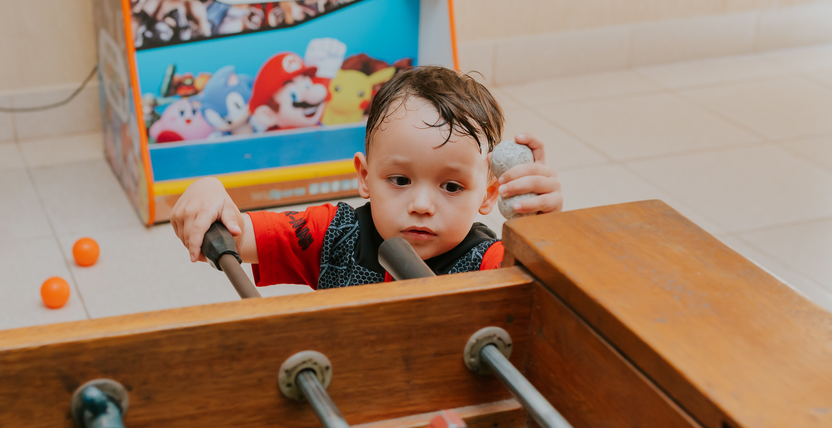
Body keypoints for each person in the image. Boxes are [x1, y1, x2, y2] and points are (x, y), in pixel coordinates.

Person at [170, 66, 562, 289]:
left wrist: (541, 231)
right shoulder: (330, 235)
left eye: (452, 187)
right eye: (400, 180)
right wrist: (208, 194)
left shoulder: (491, 264)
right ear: (364, 176)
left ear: (489, 194)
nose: (422, 206)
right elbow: (232, 238)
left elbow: (546, 294)